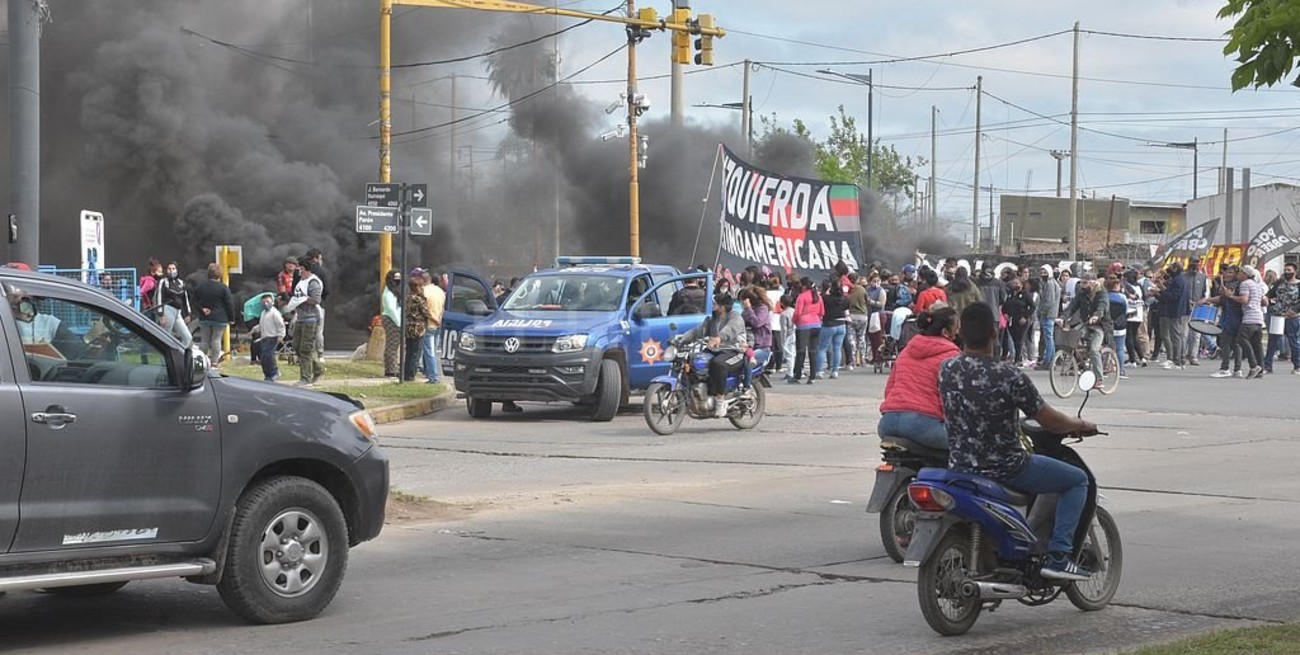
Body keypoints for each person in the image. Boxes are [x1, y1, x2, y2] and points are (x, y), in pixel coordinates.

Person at [940, 302, 1098, 581]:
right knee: (1076, 480)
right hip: (1007, 467)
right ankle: (1059, 556)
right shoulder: (1010, 376)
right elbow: (1050, 421)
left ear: (960, 334)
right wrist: (1080, 425)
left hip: (960, 465)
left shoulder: (947, 369)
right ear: (994, 333)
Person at [877, 306, 961, 450]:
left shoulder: (906, 352)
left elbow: (889, 390)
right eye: (957, 329)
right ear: (946, 332)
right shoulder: (952, 356)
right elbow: (952, 399)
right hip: (923, 425)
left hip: (887, 424)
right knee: (968, 446)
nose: (959, 333)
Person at [679, 292, 749, 417]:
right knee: (694, 361)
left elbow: (730, 330)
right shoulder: (712, 319)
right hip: (715, 350)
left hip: (734, 351)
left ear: (722, 306)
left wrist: (719, 338)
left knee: (718, 364)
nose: (712, 305)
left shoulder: (735, 317)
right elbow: (697, 331)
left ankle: (720, 402)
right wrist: (681, 339)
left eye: (714, 303)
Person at [1060, 272, 1107, 384]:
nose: (1082, 285)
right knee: (1072, 337)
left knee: (1094, 350)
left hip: (1100, 325)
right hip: (1085, 323)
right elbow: (1071, 307)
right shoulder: (1081, 294)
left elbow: (1102, 306)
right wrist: (1062, 317)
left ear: (1092, 283)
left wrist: (1096, 316)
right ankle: (1080, 362)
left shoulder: (1102, 293)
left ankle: (1099, 378)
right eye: (1081, 282)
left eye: (1085, 283)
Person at [285, 256, 325, 386]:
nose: (299, 271)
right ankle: (317, 369)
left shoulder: (313, 282)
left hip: (311, 318)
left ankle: (305, 378)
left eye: (301, 269)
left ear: (307, 269)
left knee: (306, 349)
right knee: (296, 346)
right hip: (300, 317)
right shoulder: (301, 280)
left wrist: (303, 299)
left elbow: (316, 300)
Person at [1203, 264, 1244, 379]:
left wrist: (1208, 299)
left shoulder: (1234, 285)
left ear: (1236, 274)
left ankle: (1225, 368)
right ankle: (1237, 369)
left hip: (1233, 315)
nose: (1226, 274)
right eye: (1226, 272)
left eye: (1230, 272)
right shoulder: (1235, 284)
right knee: (1236, 343)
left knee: (1225, 341)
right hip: (1234, 314)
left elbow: (1223, 298)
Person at [194, 263, 236, 366]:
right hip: (220, 318)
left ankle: (202, 361)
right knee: (216, 340)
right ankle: (214, 362)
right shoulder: (223, 288)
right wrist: (232, 318)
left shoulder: (201, 287)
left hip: (205, 317)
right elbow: (229, 304)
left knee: (204, 340)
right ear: (220, 274)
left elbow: (194, 301)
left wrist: (202, 309)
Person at [1265, 261, 1300, 375]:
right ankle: (1267, 366)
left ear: (1295, 271)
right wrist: (1266, 299)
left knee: (1293, 340)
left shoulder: (1298, 285)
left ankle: (1297, 366)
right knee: (1272, 340)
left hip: (1292, 316)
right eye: (1285, 270)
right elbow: (1269, 294)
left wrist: (1295, 310)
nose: (1287, 272)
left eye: (1289, 270)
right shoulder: (1279, 283)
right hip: (1277, 315)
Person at [1232, 265, 1267, 378]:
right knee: (1257, 344)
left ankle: (1253, 365)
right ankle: (1261, 369)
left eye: (1240, 272)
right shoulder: (1257, 285)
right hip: (1259, 317)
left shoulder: (1245, 284)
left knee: (1241, 339)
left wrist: (1231, 296)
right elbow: (1264, 301)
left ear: (1245, 274)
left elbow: (1244, 299)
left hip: (1249, 316)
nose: (1238, 275)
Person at [788, 277, 823, 384]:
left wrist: (794, 321)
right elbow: (822, 312)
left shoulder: (801, 297)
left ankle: (797, 375)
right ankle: (812, 376)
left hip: (803, 325)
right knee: (813, 351)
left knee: (801, 351)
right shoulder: (818, 297)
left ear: (803, 286)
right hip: (816, 324)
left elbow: (798, 313)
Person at [1157, 261, 1190, 369]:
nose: (1169, 270)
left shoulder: (1177, 281)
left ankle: (1177, 360)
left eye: (1171, 268)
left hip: (1175, 311)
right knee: (1179, 336)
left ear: (1175, 269)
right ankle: (1180, 359)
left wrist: (1161, 289)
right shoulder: (1183, 280)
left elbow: (1172, 296)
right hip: (1181, 311)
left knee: (1176, 336)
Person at [154, 261, 193, 349]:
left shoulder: (181, 283)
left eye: (173, 268)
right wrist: (161, 315)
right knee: (165, 336)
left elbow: (185, 299)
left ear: (177, 270)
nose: (171, 271)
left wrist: (187, 314)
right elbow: (159, 298)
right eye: (169, 269)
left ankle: (179, 354)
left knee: (187, 337)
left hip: (178, 313)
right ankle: (163, 354)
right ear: (166, 270)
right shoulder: (163, 282)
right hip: (168, 310)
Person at [816, 279, 850, 379]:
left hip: (828, 324)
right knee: (837, 348)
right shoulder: (845, 299)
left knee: (822, 348)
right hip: (841, 324)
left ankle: (819, 371)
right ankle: (835, 371)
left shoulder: (825, 298)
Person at [402, 276, 431, 383]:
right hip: (418, 328)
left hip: (408, 327)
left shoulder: (407, 297)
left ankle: (405, 373)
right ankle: (411, 375)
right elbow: (426, 313)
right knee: (415, 352)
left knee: (408, 352)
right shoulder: (418, 299)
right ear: (418, 287)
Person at [420, 268, 446, 385]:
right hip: (438, 325)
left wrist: (434, 319)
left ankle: (433, 377)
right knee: (433, 351)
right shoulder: (440, 291)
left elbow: (424, 311)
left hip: (429, 325)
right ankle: (428, 372)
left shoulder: (423, 291)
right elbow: (443, 308)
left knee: (429, 352)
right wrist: (439, 319)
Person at [1002, 278, 1035, 367]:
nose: (1015, 284)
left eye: (1017, 283)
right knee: (1014, 339)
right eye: (1013, 283)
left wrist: (1025, 316)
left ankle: (1017, 359)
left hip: (1022, 320)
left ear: (1021, 284)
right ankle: (1017, 357)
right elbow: (1004, 306)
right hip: (1011, 321)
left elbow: (1032, 307)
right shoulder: (1010, 295)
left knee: (1019, 340)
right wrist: (1005, 314)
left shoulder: (1025, 295)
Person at [254, 293, 286, 382]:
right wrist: (254, 329)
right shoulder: (263, 313)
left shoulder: (275, 313)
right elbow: (261, 325)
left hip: (273, 337)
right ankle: (267, 374)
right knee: (263, 357)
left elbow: (281, 325)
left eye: (267, 301)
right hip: (264, 337)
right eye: (263, 302)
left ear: (272, 302)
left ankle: (274, 372)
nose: (265, 304)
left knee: (268, 355)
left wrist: (281, 335)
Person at [1183, 257, 1209, 366]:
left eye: (1197, 262)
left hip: (1198, 308)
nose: (1195, 264)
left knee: (1196, 334)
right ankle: (1182, 355)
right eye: (1193, 261)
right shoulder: (1183, 276)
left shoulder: (1203, 277)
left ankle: (1193, 356)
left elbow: (1206, 293)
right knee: (1184, 333)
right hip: (1185, 308)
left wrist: (1202, 301)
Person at [1037, 265, 1061, 367]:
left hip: (1048, 314)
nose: (1043, 274)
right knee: (1049, 338)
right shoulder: (1049, 283)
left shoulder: (1050, 284)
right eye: (1042, 272)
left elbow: (1049, 301)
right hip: (1050, 314)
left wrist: (1042, 312)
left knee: (1048, 338)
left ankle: (1048, 361)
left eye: (1045, 272)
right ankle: (1052, 360)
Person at [381, 269, 403, 377]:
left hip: (394, 319)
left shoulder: (393, 291)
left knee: (393, 345)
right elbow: (391, 309)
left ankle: (392, 368)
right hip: (391, 319)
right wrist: (399, 323)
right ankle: (391, 370)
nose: (398, 281)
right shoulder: (388, 293)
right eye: (396, 279)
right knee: (392, 345)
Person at [1106, 277, 1129, 379]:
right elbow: (1126, 311)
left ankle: (1103, 369)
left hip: (1106, 325)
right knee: (1120, 348)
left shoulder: (1105, 297)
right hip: (1120, 325)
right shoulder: (1122, 297)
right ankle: (1121, 371)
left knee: (1105, 347)